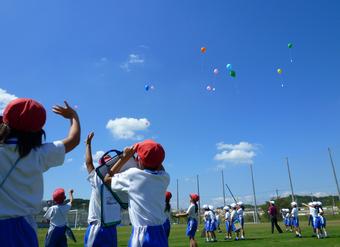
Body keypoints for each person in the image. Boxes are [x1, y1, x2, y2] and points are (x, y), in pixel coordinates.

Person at [0, 98, 80, 247]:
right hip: (22, 228)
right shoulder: (39, 154)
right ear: (39, 130)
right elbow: (73, 139)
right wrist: (73, 116)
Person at [104, 139, 170, 247]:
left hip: (141, 235)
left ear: (139, 160)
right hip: (160, 232)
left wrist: (125, 157)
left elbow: (107, 178)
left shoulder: (133, 175)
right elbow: (159, 166)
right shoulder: (165, 178)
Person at [84, 132, 122, 247]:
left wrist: (88, 144)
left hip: (97, 227)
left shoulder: (97, 178)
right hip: (112, 227)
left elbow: (88, 162)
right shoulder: (120, 180)